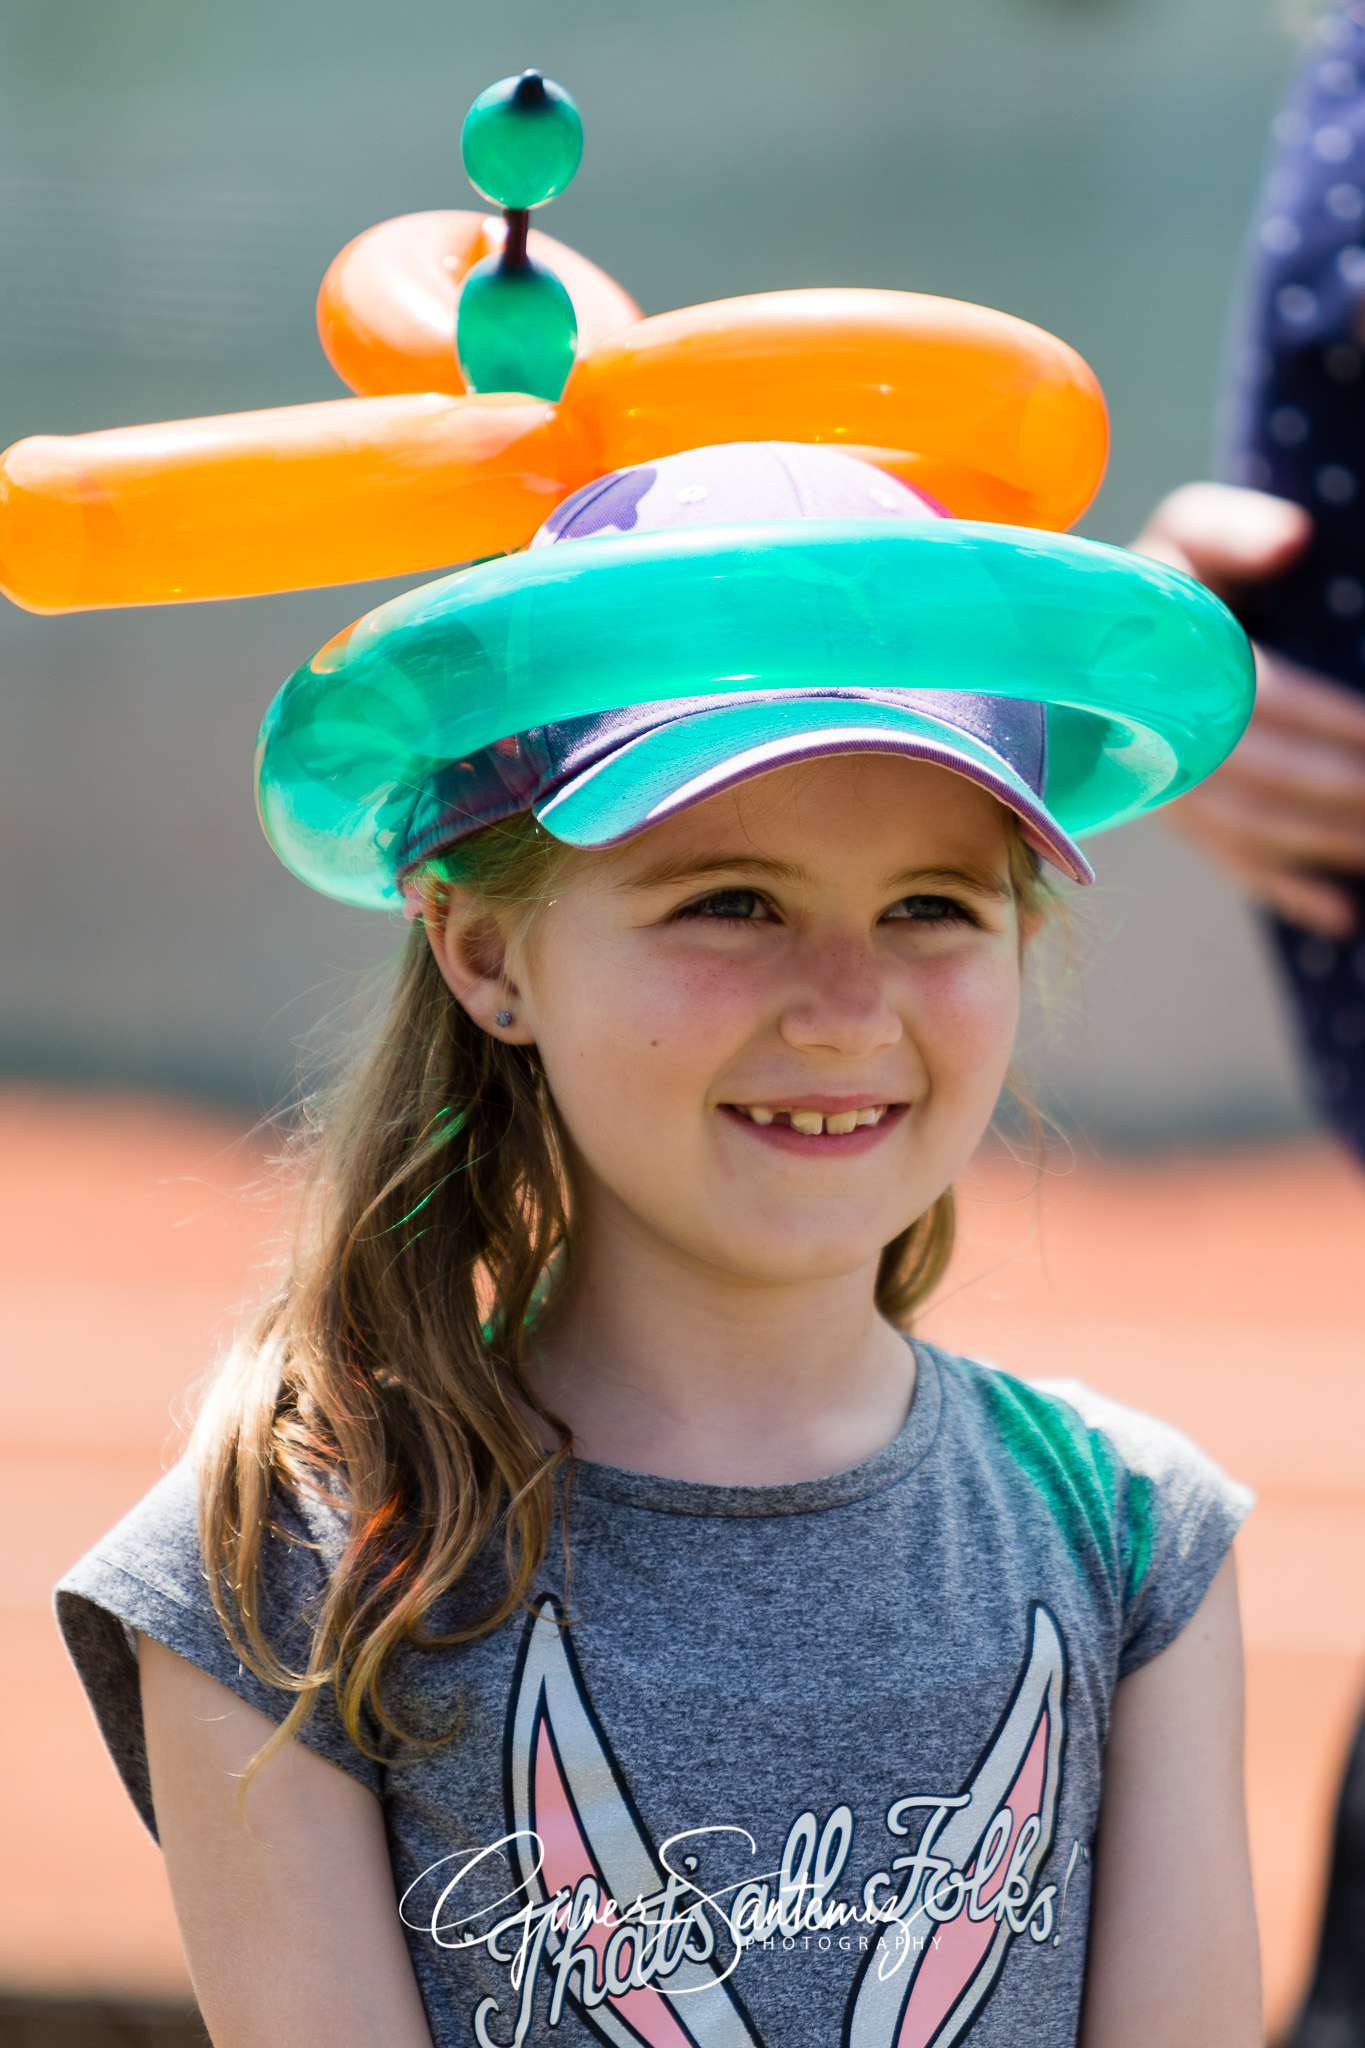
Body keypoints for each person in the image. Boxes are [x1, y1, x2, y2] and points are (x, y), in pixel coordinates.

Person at [52, 439, 1261, 2048]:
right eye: (730, 902)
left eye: (930, 906)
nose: (845, 1009)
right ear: (488, 955)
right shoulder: (295, 1561)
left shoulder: (1131, 1536)